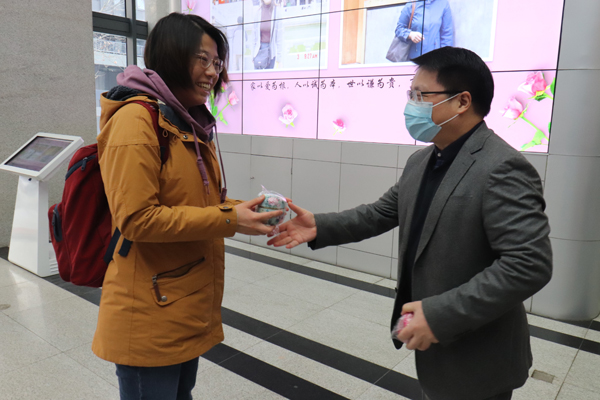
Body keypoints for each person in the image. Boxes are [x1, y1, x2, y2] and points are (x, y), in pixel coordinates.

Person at [268, 47, 552, 400]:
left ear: (462, 102)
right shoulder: (422, 161)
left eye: (421, 95)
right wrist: (320, 226)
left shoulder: (502, 167)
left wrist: (439, 314)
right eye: (410, 94)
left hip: (480, 355)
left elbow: (529, 264)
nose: (411, 105)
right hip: (435, 350)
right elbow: (379, 213)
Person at [91, 13, 282, 400]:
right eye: (202, 59)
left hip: (178, 303)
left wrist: (245, 210)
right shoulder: (136, 120)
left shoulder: (184, 121)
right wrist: (229, 218)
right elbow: (137, 219)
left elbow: (198, 203)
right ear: (172, 56)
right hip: (148, 311)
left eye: (217, 62)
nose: (213, 72)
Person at [253, 0, 283, 70]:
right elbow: (254, 36)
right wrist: (253, 56)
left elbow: (279, 38)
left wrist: (279, 59)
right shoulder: (257, 12)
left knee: (269, 75)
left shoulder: (277, 12)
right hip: (259, 51)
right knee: (257, 76)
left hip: (271, 52)